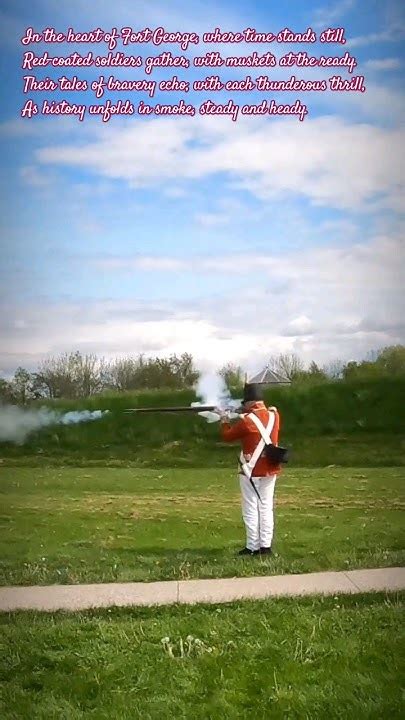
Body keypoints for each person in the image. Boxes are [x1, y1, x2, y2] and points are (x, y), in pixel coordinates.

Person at [220, 383, 282, 557]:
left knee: (250, 507)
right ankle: (266, 547)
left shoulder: (247, 421)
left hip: (251, 470)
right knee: (266, 507)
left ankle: (252, 546)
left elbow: (227, 436)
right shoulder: (275, 415)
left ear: (248, 403)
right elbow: (268, 413)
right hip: (271, 467)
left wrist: (224, 418)